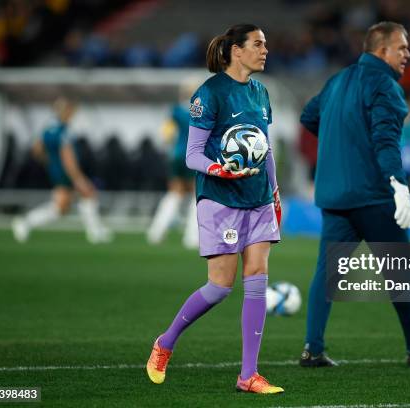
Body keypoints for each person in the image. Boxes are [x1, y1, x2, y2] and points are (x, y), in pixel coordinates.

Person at [299, 21, 410, 367]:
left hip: (334, 196)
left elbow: (309, 116)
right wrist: (399, 185)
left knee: (326, 274)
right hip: (372, 196)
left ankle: (312, 349)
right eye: (401, 48)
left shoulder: (337, 81)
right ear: (381, 50)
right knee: (400, 270)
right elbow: (387, 141)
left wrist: (342, 142)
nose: (408, 54)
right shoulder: (385, 85)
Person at [145, 24, 284, 394]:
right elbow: (192, 154)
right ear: (236, 51)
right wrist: (219, 169)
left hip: (257, 197)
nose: (265, 50)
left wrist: (274, 190)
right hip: (220, 198)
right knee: (220, 286)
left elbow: (264, 147)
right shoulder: (209, 94)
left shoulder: (261, 92)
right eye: (258, 44)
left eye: (265, 44)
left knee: (257, 277)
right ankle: (165, 342)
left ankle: (248, 375)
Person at [11, 98, 112, 244]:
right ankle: (95, 232)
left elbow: (37, 150)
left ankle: (25, 223)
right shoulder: (64, 131)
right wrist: (78, 178)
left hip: (55, 170)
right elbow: (68, 158)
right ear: (66, 112)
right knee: (87, 193)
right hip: (66, 172)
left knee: (62, 207)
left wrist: (50, 162)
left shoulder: (48, 129)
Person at [146, 82, 199, 249]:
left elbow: (166, 135)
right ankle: (192, 237)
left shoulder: (175, 110)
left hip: (176, 155)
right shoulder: (200, 110)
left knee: (175, 193)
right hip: (193, 155)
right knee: (198, 194)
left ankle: (156, 232)